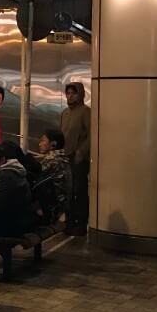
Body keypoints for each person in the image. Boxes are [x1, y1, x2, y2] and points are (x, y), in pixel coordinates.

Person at [60, 82, 91, 234]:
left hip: (79, 158)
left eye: (74, 93)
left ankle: (81, 223)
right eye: (68, 93)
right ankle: (70, 221)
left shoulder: (85, 112)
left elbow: (91, 135)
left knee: (79, 190)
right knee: (68, 190)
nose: (70, 96)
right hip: (65, 156)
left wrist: (82, 151)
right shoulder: (65, 113)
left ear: (80, 94)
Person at [32, 129, 71, 224]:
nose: (40, 144)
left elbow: (35, 174)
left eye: (43, 141)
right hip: (63, 203)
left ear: (53, 144)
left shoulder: (52, 159)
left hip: (53, 206)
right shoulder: (63, 157)